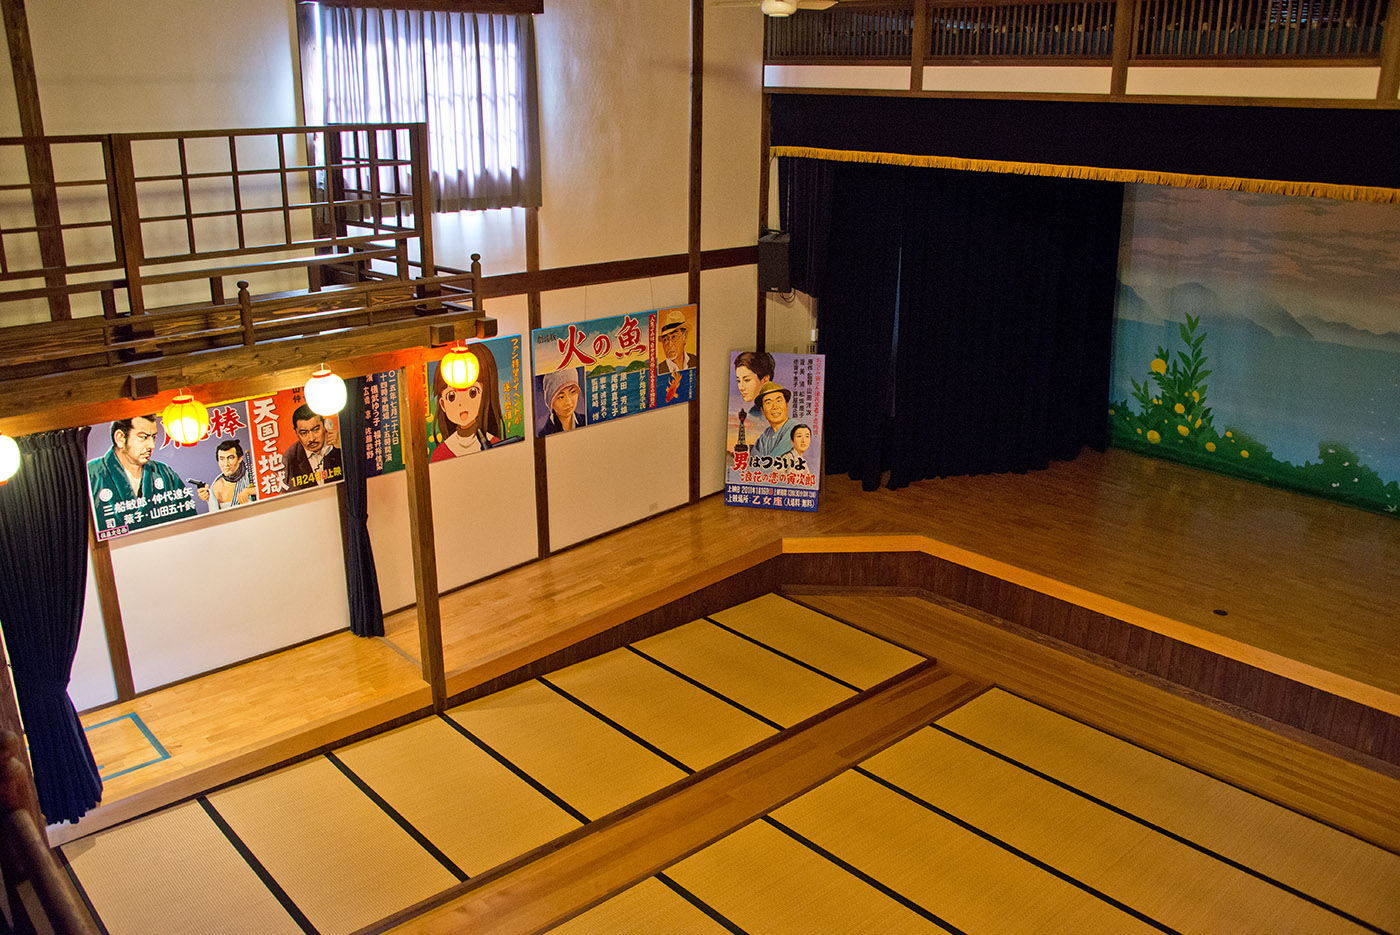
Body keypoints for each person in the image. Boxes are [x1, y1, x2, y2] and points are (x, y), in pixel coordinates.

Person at [87, 415, 198, 522]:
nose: (151, 445)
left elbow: (189, 520)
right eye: (143, 437)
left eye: (153, 437)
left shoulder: (164, 473)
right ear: (120, 438)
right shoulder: (91, 474)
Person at [432, 348, 504, 461]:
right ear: (442, 404)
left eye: (473, 392)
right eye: (451, 396)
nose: (462, 403)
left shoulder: (494, 444)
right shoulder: (441, 453)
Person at [283, 404, 343, 490]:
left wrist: (342, 448)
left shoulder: (339, 445)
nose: (311, 439)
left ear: (325, 425)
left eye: (316, 430)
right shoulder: (289, 458)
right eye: (304, 433)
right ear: (296, 433)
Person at [198, 438, 256, 510]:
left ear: (240, 459)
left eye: (231, 458)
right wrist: (208, 498)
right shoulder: (217, 485)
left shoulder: (252, 472)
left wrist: (249, 491)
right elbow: (216, 514)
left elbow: (267, 487)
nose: (226, 464)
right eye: (222, 459)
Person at [752, 381, 795, 458]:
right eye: (768, 402)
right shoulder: (765, 436)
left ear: (786, 405)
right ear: (762, 410)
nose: (775, 407)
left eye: (778, 401)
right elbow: (754, 457)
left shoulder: (795, 428)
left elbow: (774, 459)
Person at [539, 368, 585, 435]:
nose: (568, 402)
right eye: (561, 397)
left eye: (572, 392)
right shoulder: (544, 433)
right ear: (551, 402)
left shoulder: (586, 420)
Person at [658, 309, 698, 374]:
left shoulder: (695, 360)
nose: (670, 344)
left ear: (685, 336)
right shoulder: (659, 370)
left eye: (674, 337)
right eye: (665, 339)